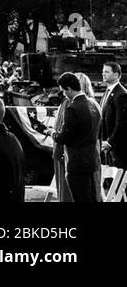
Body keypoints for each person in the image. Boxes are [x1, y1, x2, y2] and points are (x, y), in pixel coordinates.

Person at [53, 71, 102, 202]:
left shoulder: (72, 108)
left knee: (80, 197)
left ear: (68, 89)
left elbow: (64, 137)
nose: (63, 94)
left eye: (63, 91)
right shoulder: (93, 105)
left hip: (76, 163)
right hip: (91, 160)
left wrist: (52, 134)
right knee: (91, 197)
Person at [100, 62, 127, 170]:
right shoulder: (107, 92)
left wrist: (110, 142)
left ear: (116, 75)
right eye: (103, 71)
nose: (103, 74)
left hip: (117, 147)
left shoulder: (121, 94)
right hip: (107, 146)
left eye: (106, 72)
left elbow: (122, 122)